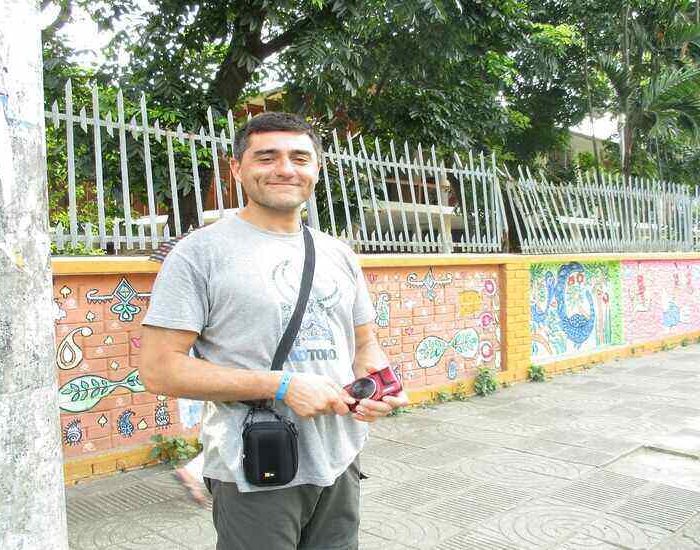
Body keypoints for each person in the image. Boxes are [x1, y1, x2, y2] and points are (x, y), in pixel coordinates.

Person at [140, 112, 409, 550]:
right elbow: (159, 370)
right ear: (237, 168)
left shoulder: (338, 253)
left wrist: (381, 388)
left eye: (299, 157)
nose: (285, 168)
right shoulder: (199, 255)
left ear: (316, 168)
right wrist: (282, 386)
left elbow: (365, 344)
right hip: (254, 469)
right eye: (267, 157)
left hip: (340, 459)